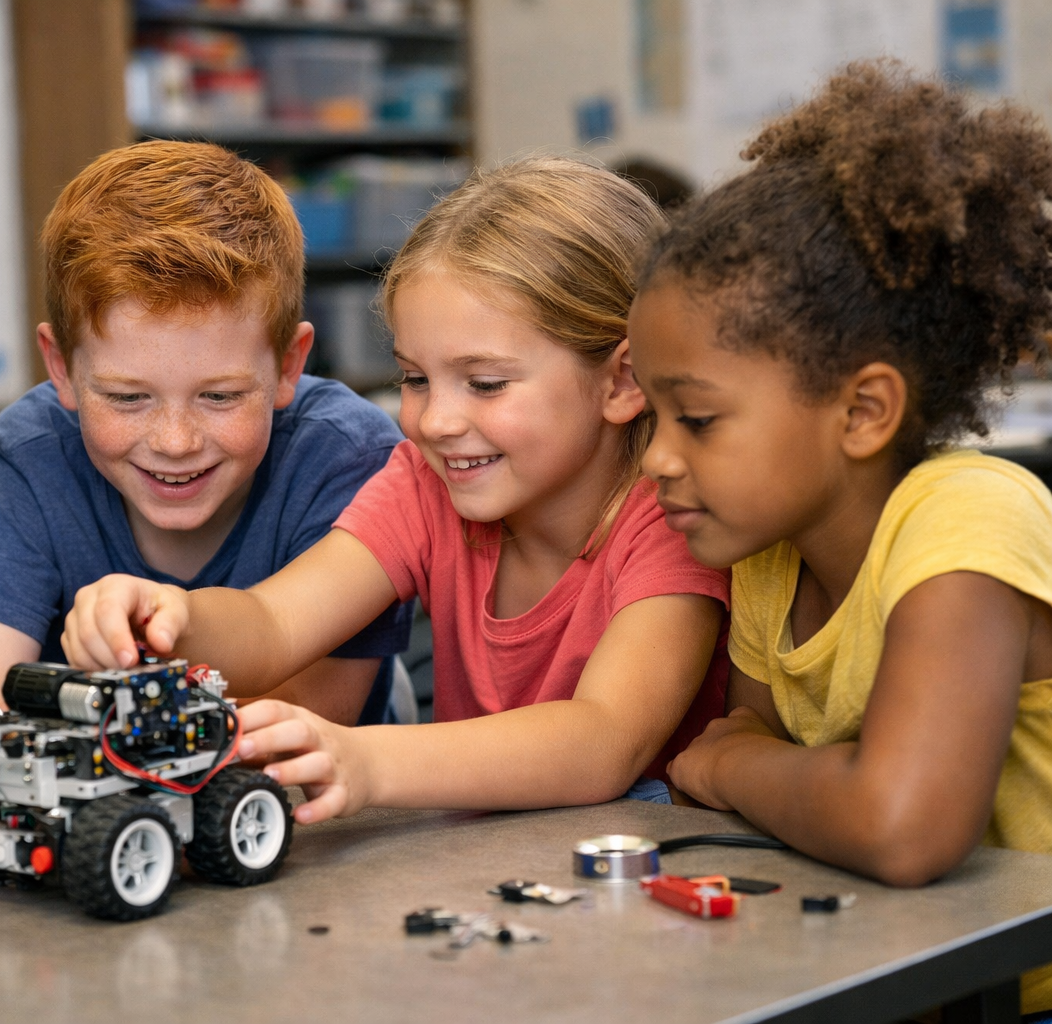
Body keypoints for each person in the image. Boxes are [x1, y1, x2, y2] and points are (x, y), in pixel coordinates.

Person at [62, 156, 731, 824]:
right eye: (415, 379)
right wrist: (170, 616)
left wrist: (369, 762)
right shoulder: (426, 483)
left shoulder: (674, 519)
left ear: (620, 382)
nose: (435, 421)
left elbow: (604, 741)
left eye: (486, 383)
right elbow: (272, 623)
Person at [627, 62, 1052, 1013]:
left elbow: (897, 826)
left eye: (695, 419)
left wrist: (742, 763)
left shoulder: (968, 517)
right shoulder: (768, 557)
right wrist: (772, 772)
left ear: (862, 411)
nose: (654, 458)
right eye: (650, 416)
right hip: (904, 972)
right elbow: (759, 786)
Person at [0, 141, 410, 781]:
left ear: (287, 366)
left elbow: (306, 718)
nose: (175, 441)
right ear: (61, 367)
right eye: (127, 397)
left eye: (221, 397)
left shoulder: (348, 457)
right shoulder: (29, 458)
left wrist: (73, 765)